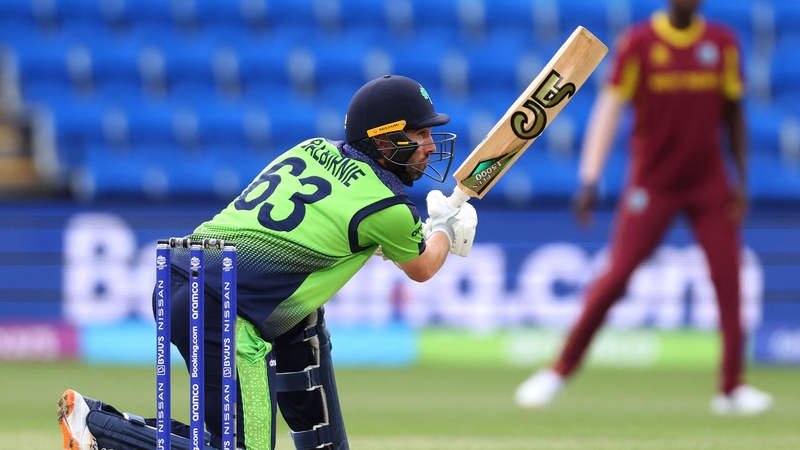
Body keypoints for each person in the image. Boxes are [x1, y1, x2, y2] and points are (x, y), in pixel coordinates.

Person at [57, 74, 479, 450]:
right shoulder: (386, 209)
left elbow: (317, 225)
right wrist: (443, 228)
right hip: (224, 310)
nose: (428, 147)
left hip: (180, 273)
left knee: (243, 411)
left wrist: (398, 238)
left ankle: (110, 425)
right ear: (383, 140)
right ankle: (98, 425)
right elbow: (423, 267)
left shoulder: (314, 148)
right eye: (419, 134)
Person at [514, 0, 773, 415]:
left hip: (710, 183)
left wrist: (741, 180)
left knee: (729, 280)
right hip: (653, 185)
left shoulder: (722, 43)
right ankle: (557, 372)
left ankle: (731, 388)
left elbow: (734, 114)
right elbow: (609, 109)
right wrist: (589, 176)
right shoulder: (639, 43)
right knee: (616, 277)